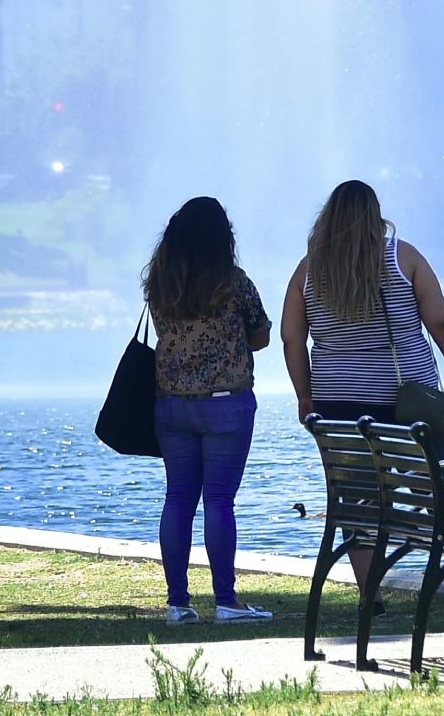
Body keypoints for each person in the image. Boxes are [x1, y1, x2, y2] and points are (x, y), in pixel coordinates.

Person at [280, 179, 444, 588]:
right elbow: (438, 320)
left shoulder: (308, 270)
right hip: (407, 401)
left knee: (357, 496)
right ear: (374, 214)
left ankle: (371, 592)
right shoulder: (403, 258)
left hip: (337, 403)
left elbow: (292, 337)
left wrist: (304, 395)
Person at [144, 196, 275, 626]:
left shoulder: (160, 283)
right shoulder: (234, 283)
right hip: (226, 406)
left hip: (172, 404)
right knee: (219, 500)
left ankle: (178, 603)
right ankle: (226, 600)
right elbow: (260, 336)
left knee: (178, 500)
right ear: (223, 237)